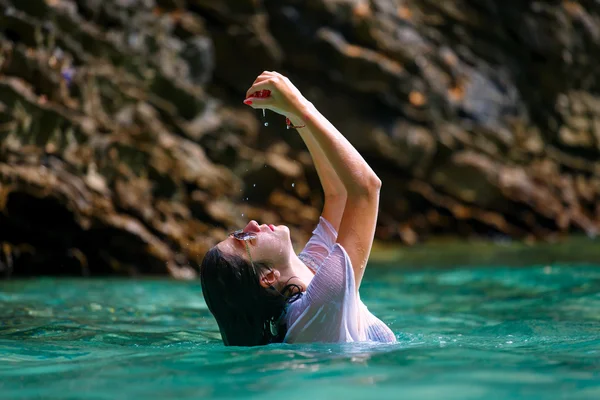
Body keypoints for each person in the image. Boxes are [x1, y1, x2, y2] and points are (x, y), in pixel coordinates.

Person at [200, 71, 396, 346]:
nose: (252, 224)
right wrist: (300, 105)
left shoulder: (307, 273)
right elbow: (366, 189)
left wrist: (301, 122)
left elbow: (338, 194)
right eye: (243, 238)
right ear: (268, 277)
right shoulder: (318, 307)